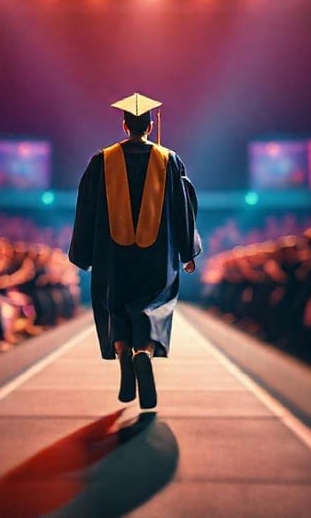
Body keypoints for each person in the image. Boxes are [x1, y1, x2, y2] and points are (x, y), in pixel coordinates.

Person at [69, 92, 202, 409]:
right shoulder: (169, 160)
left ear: (124, 123)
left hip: (112, 257)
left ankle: (124, 355)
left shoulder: (101, 161)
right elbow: (184, 206)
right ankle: (144, 352)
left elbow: (85, 209)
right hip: (156, 258)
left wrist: (84, 254)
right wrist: (187, 251)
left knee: (115, 306)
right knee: (153, 306)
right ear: (151, 123)